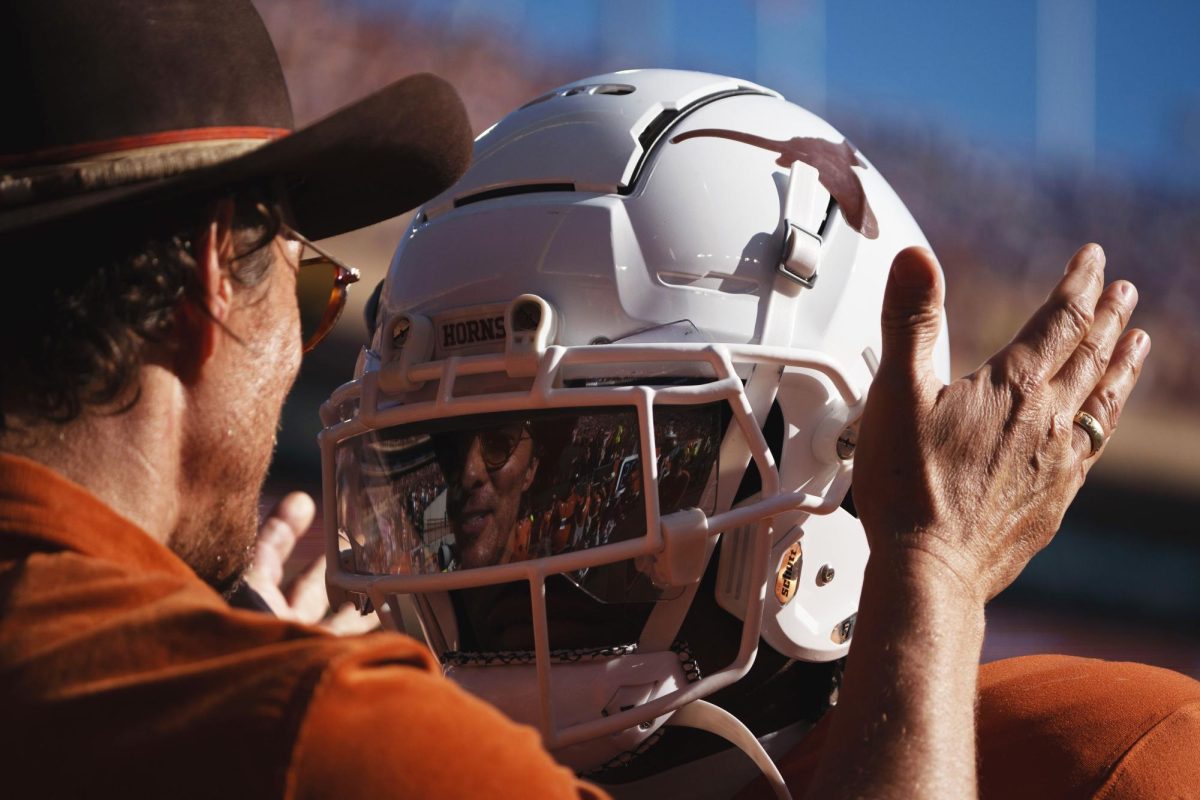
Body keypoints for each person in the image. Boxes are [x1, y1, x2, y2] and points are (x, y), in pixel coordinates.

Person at [325, 68, 1199, 798]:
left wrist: (929, 572)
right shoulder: (370, 755)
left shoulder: (1103, 755)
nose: (483, 532)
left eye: (575, 455)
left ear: (837, 448)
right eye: (436, 452)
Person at [0, 2, 601, 797]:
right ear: (213, 278)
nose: (302, 345)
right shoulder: (323, 729)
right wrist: (290, 703)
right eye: (309, 287)